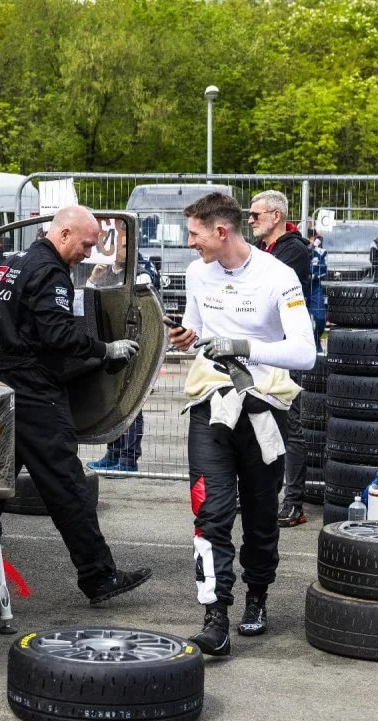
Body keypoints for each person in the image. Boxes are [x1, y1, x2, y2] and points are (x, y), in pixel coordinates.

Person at [165, 192, 315, 655]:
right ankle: (215, 616)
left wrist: (243, 345)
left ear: (221, 232)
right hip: (210, 405)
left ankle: (258, 597)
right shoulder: (195, 273)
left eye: (195, 234)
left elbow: (305, 354)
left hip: (264, 406)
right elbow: (197, 333)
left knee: (260, 515)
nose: (190, 243)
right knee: (210, 513)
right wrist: (188, 337)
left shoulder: (279, 275)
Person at [0, 205, 151, 604]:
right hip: (35, 393)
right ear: (64, 234)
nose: (88, 253)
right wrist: (104, 349)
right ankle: (98, 576)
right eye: (87, 244)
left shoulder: (8, 263)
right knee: (69, 487)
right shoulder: (50, 271)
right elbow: (58, 334)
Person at [249, 190, 311, 529]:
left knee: (291, 425)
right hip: (263, 349)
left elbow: (263, 288)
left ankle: (294, 503)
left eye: (256, 215)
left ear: (276, 216)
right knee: (259, 418)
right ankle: (262, 496)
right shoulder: (264, 249)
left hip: (287, 350)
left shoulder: (293, 250)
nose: (251, 220)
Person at [87, 225, 160, 474]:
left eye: (126, 246)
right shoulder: (106, 270)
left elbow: (145, 292)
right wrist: (94, 280)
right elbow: (88, 299)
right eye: (118, 245)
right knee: (113, 399)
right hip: (111, 342)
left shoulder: (141, 269)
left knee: (131, 401)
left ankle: (128, 458)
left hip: (136, 341)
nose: (121, 250)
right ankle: (113, 453)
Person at [307, 229, 327, 350]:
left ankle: (316, 339)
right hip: (299, 288)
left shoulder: (321, 252)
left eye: (311, 237)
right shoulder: (297, 250)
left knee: (320, 317)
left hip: (315, 287)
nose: (309, 240)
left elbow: (324, 270)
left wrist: (312, 276)